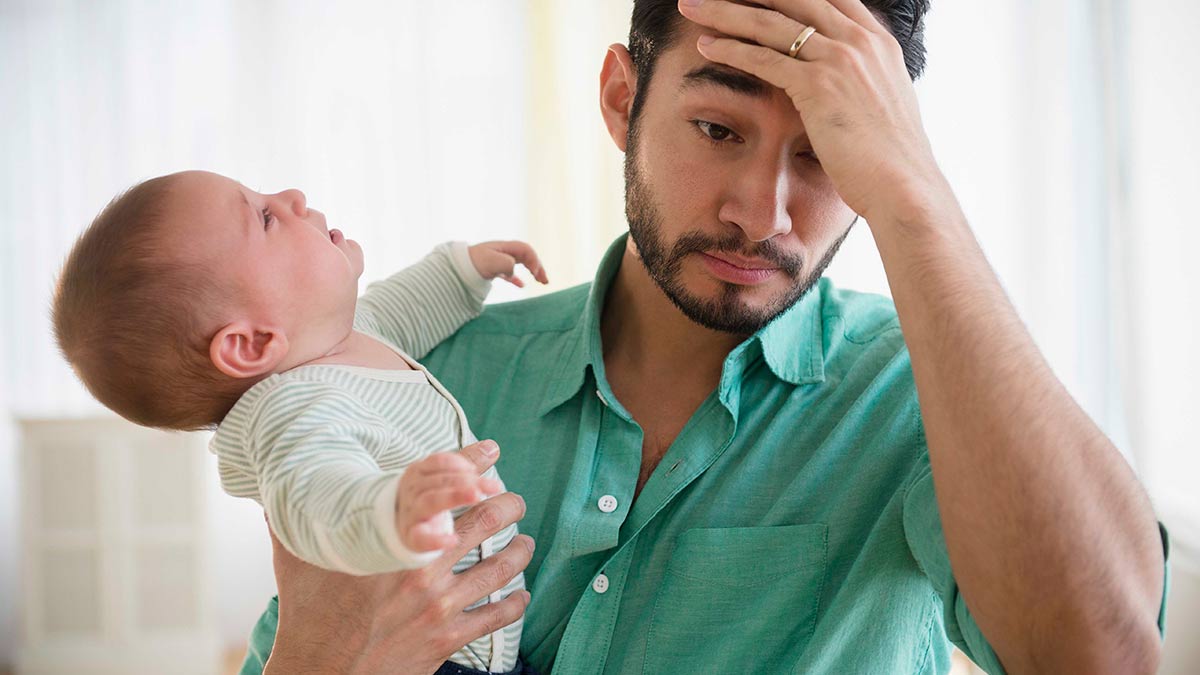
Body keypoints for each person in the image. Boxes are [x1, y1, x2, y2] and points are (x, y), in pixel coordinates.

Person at [241, 0, 1171, 673]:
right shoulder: (423, 379)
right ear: (621, 100)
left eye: (825, 152)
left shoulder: (925, 400)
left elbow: (1107, 655)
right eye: (719, 128)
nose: (759, 215)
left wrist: (916, 202)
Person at [51, 170, 548, 674]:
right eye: (265, 217)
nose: (292, 196)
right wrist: (392, 512)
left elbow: (397, 311)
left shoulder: (339, 345)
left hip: (464, 646)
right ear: (251, 344)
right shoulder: (292, 413)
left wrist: (460, 271)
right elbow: (319, 500)